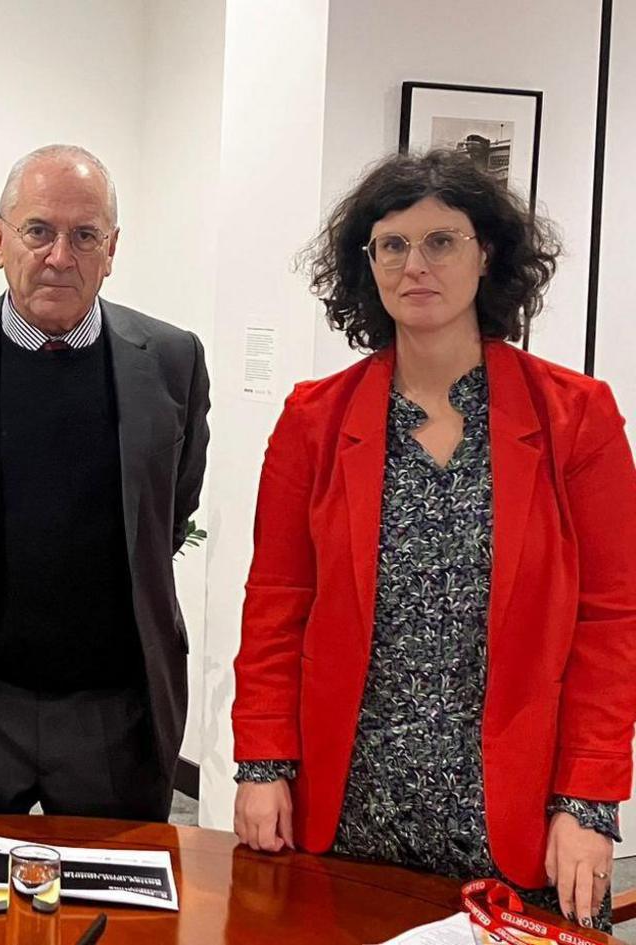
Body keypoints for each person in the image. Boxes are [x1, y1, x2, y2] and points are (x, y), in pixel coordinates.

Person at [231, 149, 636, 933]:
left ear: (487, 254)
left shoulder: (576, 419)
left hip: (517, 820)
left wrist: (588, 799)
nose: (416, 264)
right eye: (392, 244)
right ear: (368, 266)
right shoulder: (314, 422)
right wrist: (263, 764)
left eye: (441, 241)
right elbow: (277, 605)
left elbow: (610, 621)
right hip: (349, 808)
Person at [0, 144, 210, 820]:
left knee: (118, 919)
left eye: (85, 235)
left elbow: (171, 509)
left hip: (116, 712)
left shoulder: (173, 360)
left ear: (112, 248)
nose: (61, 255)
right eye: (39, 231)